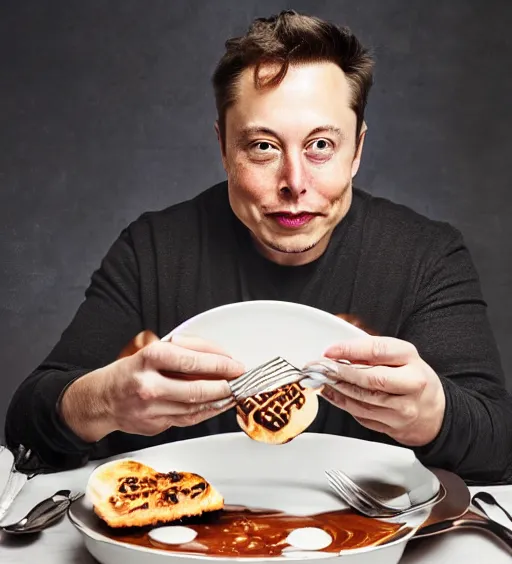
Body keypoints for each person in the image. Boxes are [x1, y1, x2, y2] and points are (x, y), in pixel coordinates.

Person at [5, 10, 512, 483]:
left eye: (320, 146)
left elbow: (500, 444)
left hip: (371, 544)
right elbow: (26, 429)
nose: (294, 182)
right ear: (224, 149)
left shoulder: (427, 255)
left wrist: (434, 414)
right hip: (188, 543)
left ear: (356, 150)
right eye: (263, 146)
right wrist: (105, 401)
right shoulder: (154, 250)